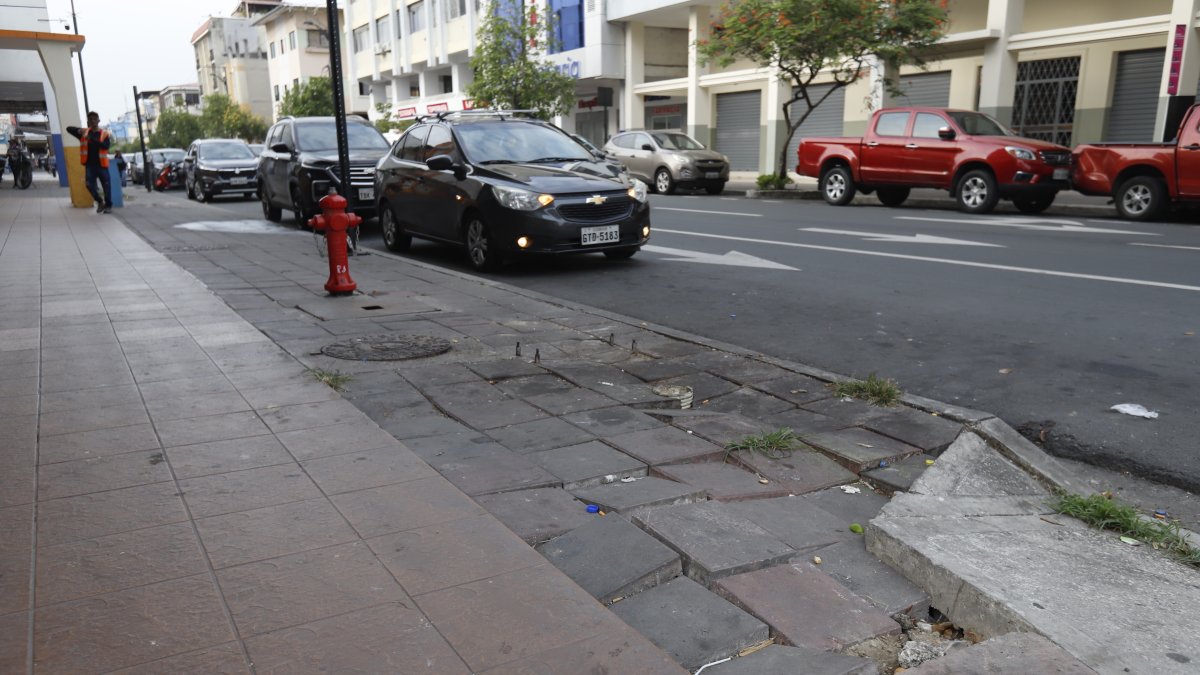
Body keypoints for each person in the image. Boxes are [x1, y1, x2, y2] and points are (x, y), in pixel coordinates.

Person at [66, 111, 113, 213]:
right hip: (90, 165)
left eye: (95, 119)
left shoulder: (104, 134)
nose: (93, 121)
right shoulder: (85, 133)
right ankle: (100, 202)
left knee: (106, 185)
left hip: (102, 165)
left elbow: (106, 146)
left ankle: (108, 206)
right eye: (90, 119)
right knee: (89, 185)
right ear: (88, 121)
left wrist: (91, 139)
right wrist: (79, 131)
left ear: (98, 120)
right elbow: (68, 128)